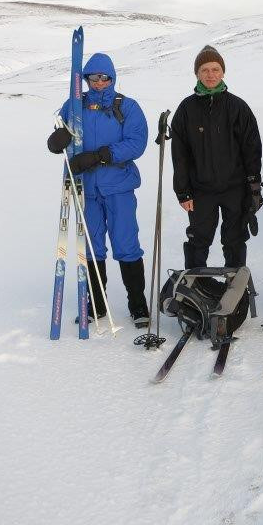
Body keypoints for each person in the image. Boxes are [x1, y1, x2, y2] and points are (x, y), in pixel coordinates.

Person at [46, 52, 149, 326]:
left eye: (104, 77)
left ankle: (138, 306)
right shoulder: (74, 105)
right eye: (94, 77)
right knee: (92, 247)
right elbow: (63, 133)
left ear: (112, 78)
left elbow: (136, 143)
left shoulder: (127, 107)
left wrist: (101, 155)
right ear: (87, 79)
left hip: (119, 187)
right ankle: (96, 304)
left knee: (127, 245)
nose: (99, 82)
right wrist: (56, 141)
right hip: (86, 189)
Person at [171, 45, 263, 271]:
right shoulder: (186, 109)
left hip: (235, 188)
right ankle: (193, 293)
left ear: (223, 72)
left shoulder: (238, 107)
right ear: (197, 74)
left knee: (234, 240)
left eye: (215, 69)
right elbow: (179, 155)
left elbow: (252, 149)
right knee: (198, 241)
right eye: (205, 70)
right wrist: (183, 191)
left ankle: (235, 296)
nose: (210, 75)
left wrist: (253, 186)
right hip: (200, 190)